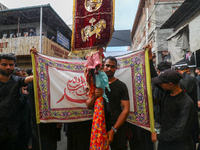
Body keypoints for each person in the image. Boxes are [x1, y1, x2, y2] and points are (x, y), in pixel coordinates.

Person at [86, 56, 130, 150]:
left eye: (112, 66)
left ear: (116, 68)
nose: (109, 68)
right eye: (107, 65)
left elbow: (125, 110)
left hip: (116, 126)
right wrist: (95, 95)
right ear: (103, 66)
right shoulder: (95, 84)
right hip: (98, 126)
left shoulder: (121, 86)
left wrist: (113, 130)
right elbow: (89, 105)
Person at [151, 68, 195, 150]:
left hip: (179, 145)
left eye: (161, 83)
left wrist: (158, 137)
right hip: (165, 142)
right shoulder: (167, 93)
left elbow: (179, 130)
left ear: (170, 84)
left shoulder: (186, 103)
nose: (159, 85)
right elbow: (155, 80)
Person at [0, 53, 33, 150]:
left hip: (12, 128)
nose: (8, 67)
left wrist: (36, 56)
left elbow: (34, 77)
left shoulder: (17, 80)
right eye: (4, 64)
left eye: (11, 64)